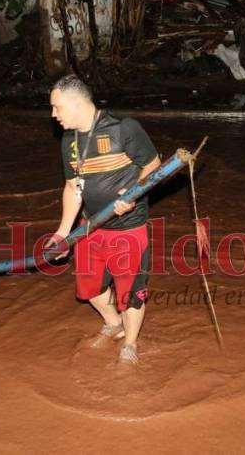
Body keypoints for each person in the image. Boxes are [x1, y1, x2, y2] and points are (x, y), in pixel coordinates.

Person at [46, 75, 160, 365]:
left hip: (129, 228)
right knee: (90, 290)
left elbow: (153, 165)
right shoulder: (68, 142)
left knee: (130, 293)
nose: (53, 115)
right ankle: (113, 324)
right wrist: (62, 234)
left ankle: (130, 344)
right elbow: (73, 188)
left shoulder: (124, 128)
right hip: (91, 227)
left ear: (76, 103)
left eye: (57, 107)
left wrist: (133, 193)